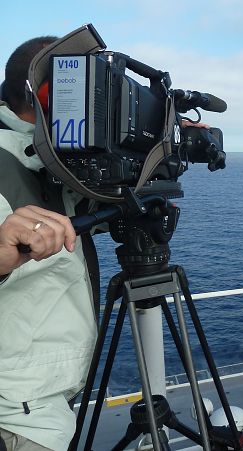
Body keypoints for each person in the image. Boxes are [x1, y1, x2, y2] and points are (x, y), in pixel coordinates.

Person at [0, 36, 99, 451]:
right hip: (17, 415)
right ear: (46, 95)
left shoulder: (49, 154)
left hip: (44, 397)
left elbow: (96, 200)